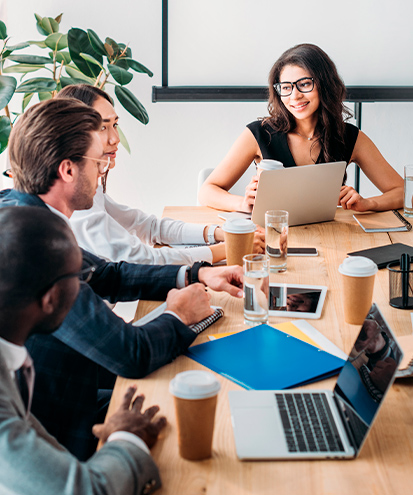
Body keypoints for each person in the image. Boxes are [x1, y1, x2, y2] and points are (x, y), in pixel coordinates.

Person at [0, 98, 244, 460]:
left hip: (71, 390)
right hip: (61, 434)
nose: (104, 170)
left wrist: (194, 273)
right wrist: (179, 316)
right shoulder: (38, 248)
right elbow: (132, 355)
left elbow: (108, 274)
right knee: (208, 416)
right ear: (68, 170)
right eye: (98, 161)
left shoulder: (20, 211)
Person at [0, 206, 165, 495]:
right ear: (51, 298)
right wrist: (128, 438)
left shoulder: (11, 356)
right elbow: (89, 490)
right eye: (78, 280)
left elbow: (33, 435)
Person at [56, 85, 264, 263]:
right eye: (102, 127)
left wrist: (220, 233)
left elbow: (148, 225)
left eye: (115, 125)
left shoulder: (91, 190)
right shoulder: (75, 200)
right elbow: (142, 259)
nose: (115, 139)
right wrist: (230, 248)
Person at [198, 43, 403, 213]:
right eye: (286, 87)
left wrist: (368, 203)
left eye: (304, 84)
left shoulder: (350, 136)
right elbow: (207, 191)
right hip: (272, 237)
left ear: (325, 85)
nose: (294, 96)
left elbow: (403, 191)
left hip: (330, 236)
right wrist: (242, 204)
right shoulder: (258, 134)